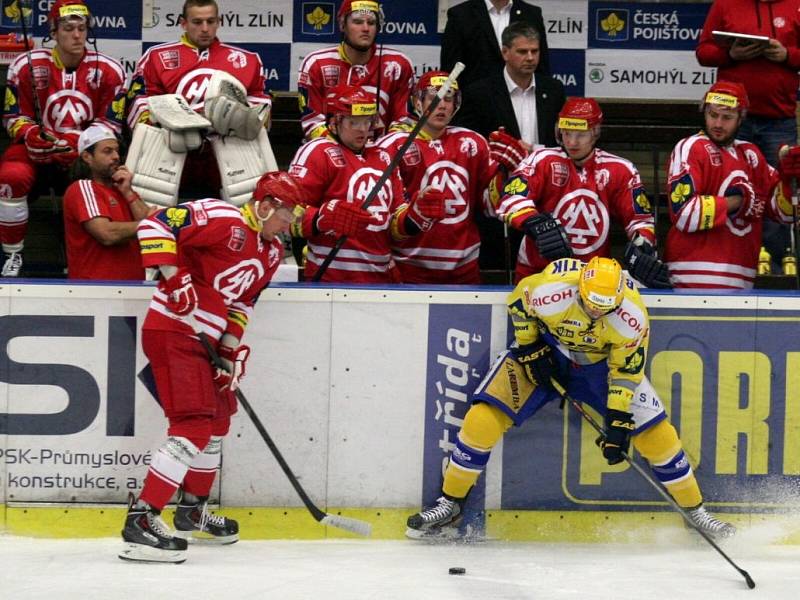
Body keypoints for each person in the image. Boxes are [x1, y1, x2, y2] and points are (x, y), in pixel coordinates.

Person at [406, 256, 736, 541]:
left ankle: (696, 513)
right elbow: (520, 300)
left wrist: (618, 421)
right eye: (591, 302)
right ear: (580, 288)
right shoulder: (554, 288)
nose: (595, 311)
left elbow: (625, 371)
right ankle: (450, 504)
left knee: (659, 437)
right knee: (482, 419)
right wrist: (530, 346)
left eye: (604, 307)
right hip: (546, 353)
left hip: (599, 367)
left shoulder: (633, 318)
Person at [119, 170, 306, 563]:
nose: (290, 224)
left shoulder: (271, 252)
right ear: (266, 204)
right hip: (173, 330)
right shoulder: (223, 217)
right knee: (192, 425)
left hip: (205, 344)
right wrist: (175, 278)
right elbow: (155, 225)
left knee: (217, 422)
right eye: (287, 214)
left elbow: (243, 304)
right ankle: (142, 518)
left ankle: (191, 510)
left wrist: (227, 351)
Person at [0, 0, 125, 277]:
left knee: (111, 171)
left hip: (82, 155)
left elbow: (110, 124)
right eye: (68, 28)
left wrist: (80, 144)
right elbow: (13, 117)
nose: (77, 35)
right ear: (54, 31)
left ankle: (85, 261)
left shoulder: (110, 70)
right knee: (11, 176)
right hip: (37, 152)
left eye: (82, 28)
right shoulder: (26, 64)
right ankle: (12, 256)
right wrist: (31, 133)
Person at [497, 97, 670, 288]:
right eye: (566, 133)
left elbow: (639, 219)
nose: (571, 142)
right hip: (537, 273)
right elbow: (511, 198)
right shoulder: (542, 159)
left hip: (594, 278)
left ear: (595, 133)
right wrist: (535, 224)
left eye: (580, 135)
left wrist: (642, 245)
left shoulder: (620, 169)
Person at [289, 84, 446, 283]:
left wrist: (416, 215)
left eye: (367, 121)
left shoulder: (383, 156)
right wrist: (320, 218)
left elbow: (395, 228)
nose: (363, 130)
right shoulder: (317, 152)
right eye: (354, 122)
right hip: (330, 279)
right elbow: (284, 215)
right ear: (334, 122)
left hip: (380, 280)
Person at [119, 0, 271, 198]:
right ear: (183, 23)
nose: (205, 29)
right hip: (171, 161)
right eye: (197, 22)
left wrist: (236, 117)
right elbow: (138, 105)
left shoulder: (247, 60)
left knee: (230, 221)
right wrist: (171, 122)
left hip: (229, 164)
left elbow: (263, 111)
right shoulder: (156, 57)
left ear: (220, 21)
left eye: (210, 21)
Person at [376, 71, 516, 284]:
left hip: (464, 270)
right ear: (417, 102)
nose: (442, 105)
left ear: (456, 104)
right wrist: (412, 215)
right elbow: (379, 214)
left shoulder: (472, 143)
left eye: (448, 98)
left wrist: (506, 174)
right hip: (409, 269)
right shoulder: (393, 145)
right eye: (434, 97)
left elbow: (490, 206)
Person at [454, 22, 565, 276]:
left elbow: (564, 142)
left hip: (544, 189)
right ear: (505, 52)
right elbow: (468, 144)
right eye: (522, 51)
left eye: (535, 52)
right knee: (499, 267)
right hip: (498, 191)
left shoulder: (553, 90)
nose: (530, 58)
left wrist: (534, 151)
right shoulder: (480, 92)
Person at [695, 0, 800, 267]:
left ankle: (777, 268)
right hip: (730, 119)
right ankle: (725, 261)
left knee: (779, 193)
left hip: (779, 120)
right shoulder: (725, 4)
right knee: (725, 187)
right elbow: (703, 52)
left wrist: (787, 55)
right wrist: (731, 55)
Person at [664, 81, 794, 289]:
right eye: (713, 115)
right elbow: (685, 214)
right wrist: (737, 202)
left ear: (741, 118)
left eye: (727, 118)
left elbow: (785, 214)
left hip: (742, 278)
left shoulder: (752, 155)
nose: (718, 124)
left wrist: (787, 181)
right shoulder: (691, 147)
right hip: (691, 276)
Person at [297, 0, 414, 140]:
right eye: (358, 22)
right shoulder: (316, 64)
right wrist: (345, 153)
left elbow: (403, 121)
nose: (365, 28)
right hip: (330, 153)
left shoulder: (399, 65)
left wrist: (382, 152)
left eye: (371, 23)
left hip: (383, 154)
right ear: (342, 25)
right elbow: (313, 123)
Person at [63, 125, 156, 280]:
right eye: (107, 151)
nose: (116, 157)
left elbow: (151, 227)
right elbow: (106, 233)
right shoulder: (82, 188)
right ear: (87, 157)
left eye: (116, 150)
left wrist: (128, 192)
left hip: (133, 290)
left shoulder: (122, 190)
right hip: (96, 292)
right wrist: (149, 224)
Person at [441, 0, 550, 90]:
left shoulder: (531, 14)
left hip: (521, 100)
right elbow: (451, 70)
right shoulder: (461, 15)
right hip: (476, 105)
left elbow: (542, 66)